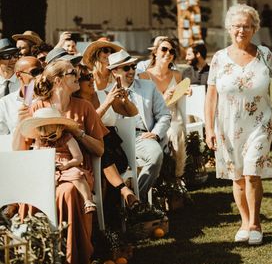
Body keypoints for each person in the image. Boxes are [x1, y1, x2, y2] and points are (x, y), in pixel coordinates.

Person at [204, 4, 272, 247]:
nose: (241, 30)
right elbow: (211, 96)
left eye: (246, 26)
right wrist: (209, 129)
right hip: (228, 125)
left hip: (259, 124)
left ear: (254, 29)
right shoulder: (219, 59)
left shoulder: (265, 54)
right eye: (237, 26)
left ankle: (255, 223)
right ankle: (244, 222)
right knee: (238, 177)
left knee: (252, 173)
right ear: (229, 28)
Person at [14, 60, 108, 264]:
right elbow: (23, 148)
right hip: (43, 165)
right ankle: (34, 260)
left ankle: (72, 262)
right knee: (29, 194)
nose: (78, 76)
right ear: (58, 80)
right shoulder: (38, 107)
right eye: (72, 73)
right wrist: (20, 126)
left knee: (66, 192)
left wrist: (78, 133)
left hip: (75, 170)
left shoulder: (84, 107)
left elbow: (100, 150)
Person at [73, 64, 141, 212]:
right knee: (100, 148)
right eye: (85, 78)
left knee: (104, 148)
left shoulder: (103, 94)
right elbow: (88, 125)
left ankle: (120, 199)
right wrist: (107, 103)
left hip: (114, 149)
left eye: (91, 75)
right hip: (90, 152)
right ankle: (124, 192)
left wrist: (125, 100)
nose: (91, 80)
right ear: (76, 82)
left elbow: (133, 113)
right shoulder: (76, 104)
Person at [108, 50, 171, 203]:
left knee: (155, 155)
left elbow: (165, 115)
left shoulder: (148, 87)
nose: (131, 71)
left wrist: (155, 133)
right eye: (126, 68)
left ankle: (137, 198)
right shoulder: (105, 91)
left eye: (133, 66)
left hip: (142, 136)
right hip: (116, 140)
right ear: (114, 70)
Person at [20, 108, 97, 213]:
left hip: (66, 167)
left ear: (60, 127)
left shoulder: (67, 138)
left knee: (77, 175)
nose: (48, 139)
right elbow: (35, 157)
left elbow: (78, 157)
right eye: (44, 136)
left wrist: (68, 164)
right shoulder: (39, 141)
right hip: (47, 168)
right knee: (36, 181)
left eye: (52, 135)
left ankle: (88, 200)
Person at [139, 37, 188, 178]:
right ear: (155, 52)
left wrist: (184, 92)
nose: (168, 53)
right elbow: (145, 105)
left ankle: (176, 176)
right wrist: (164, 97)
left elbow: (179, 97)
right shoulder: (144, 75)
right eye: (164, 49)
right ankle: (161, 176)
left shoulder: (177, 75)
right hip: (152, 117)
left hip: (173, 116)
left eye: (171, 51)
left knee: (175, 131)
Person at [0, 56, 42, 134]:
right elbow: (2, 136)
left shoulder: (49, 97)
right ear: (19, 75)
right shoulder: (5, 103)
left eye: (41, 71)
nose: (39, 76)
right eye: (35, 72)